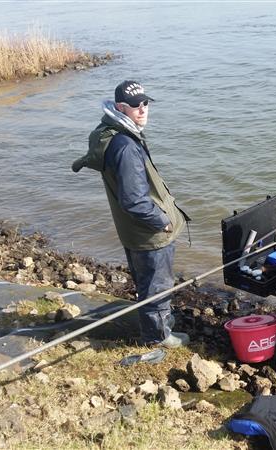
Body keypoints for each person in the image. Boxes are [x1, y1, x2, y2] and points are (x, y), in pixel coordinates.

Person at [72, 80, 191, 348]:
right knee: (157, 287)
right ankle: (157, 338)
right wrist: (162, 222)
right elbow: (135, 200)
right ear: (120, 107)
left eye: (145, 103)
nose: (143, 109)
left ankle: (158, 326)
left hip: (132, 230)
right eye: (136, 106)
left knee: (148, 282)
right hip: (149, 234)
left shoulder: (113, 134)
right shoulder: (125, 146)